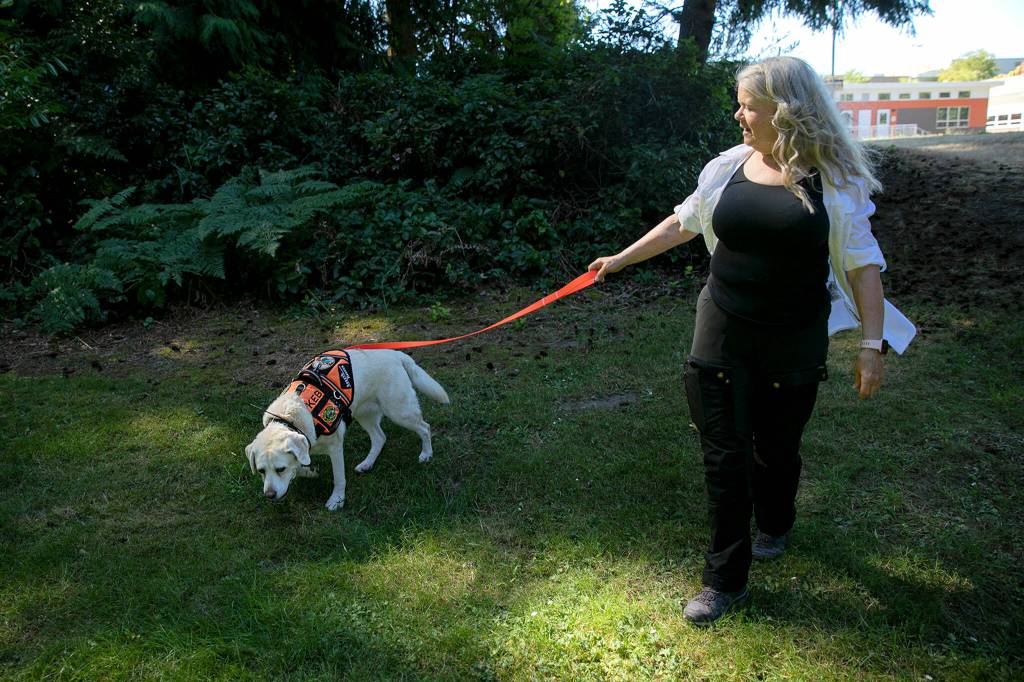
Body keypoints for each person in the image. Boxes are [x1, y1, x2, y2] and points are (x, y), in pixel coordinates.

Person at [588, 56, 915, 626]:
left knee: (776, 450)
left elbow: (863, 265)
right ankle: (724, 580)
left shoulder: (833, 180)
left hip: (793, 337)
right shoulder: (727, 167)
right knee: (724, 454)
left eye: (747, 105)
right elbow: (684, 221)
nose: (738, 114)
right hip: (722, 324)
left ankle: (777, 520)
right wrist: (620, 260)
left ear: (783, 112)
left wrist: (871, 343)